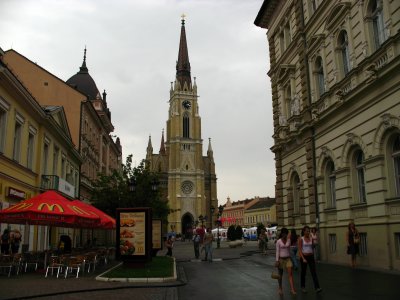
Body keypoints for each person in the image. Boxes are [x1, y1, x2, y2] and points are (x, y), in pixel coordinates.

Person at [298, 225, 322, 293]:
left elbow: (312, 248)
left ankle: (317, 287)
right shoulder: (301, 239)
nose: (308, 232)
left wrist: (313, 255)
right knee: (303, 273)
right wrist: (303, 258)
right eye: (307, 231)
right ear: (304, 231)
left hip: (311, 256)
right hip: (304, 257)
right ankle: (303, 287)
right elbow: (299, 249)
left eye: (309, 231)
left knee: (313, 272)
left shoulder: (311, 238)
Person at [275, 227, 296, 295]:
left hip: (287, 259)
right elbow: (277, 251)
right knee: (280, 275)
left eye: (286, 234)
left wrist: (292, 259)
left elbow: (289, 250)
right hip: (281, 259)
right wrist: (277, 260)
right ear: (282, 234)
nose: (285, 235)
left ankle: (292, 289)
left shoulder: (289, 240)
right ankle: (280, 288)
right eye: (284, 234)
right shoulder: (278, 241)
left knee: (290, 274)